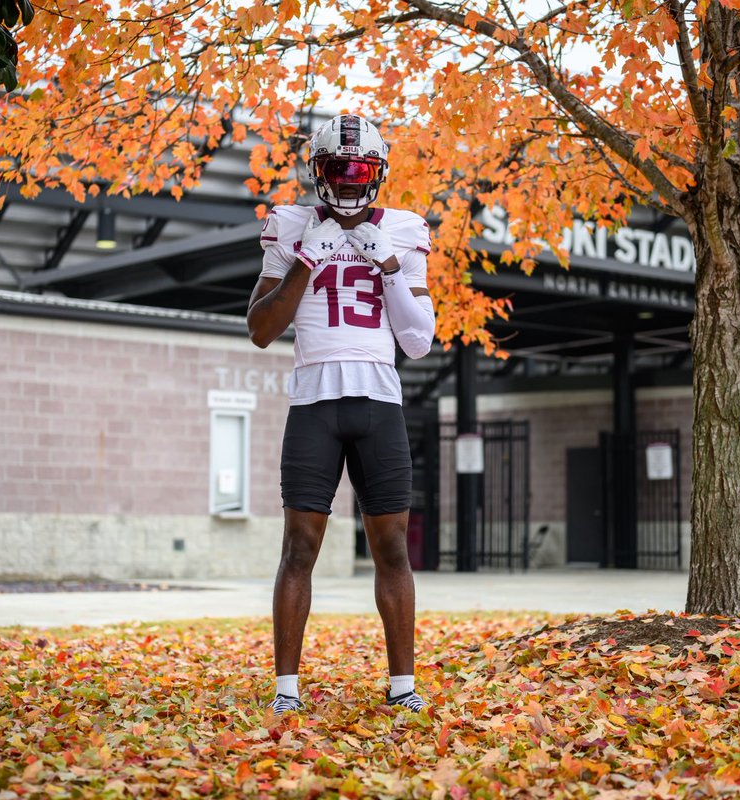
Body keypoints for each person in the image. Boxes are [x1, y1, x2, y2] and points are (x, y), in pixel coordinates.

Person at [246, 114, 436, 714]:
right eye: (337, 167)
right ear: (318, 170)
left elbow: (418, 341)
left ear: (378, 172)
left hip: (379, 401)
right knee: (299, 548)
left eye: (360, 169)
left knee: (393, 548)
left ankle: (403, 687)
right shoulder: (290, 224)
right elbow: (261, 329)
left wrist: (389, 267)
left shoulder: (403, 229)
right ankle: (286, 691)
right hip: (314, 402)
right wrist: (307, 259)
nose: (350, 179)